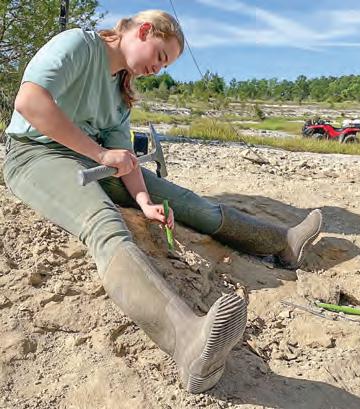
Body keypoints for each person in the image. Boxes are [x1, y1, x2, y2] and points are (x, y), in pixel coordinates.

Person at [2, 10, 322, 393]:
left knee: (182, 201)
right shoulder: (78, 45)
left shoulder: (120, 92)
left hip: (88, 159)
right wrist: (100, 154)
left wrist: (143, 201)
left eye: (165, 65)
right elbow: (29, 101)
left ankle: (281, 243)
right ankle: (187, 343)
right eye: (160, 56)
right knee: (104, 224)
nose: (158, 68)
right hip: (33, 155)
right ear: (144, 30)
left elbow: (126, 160)